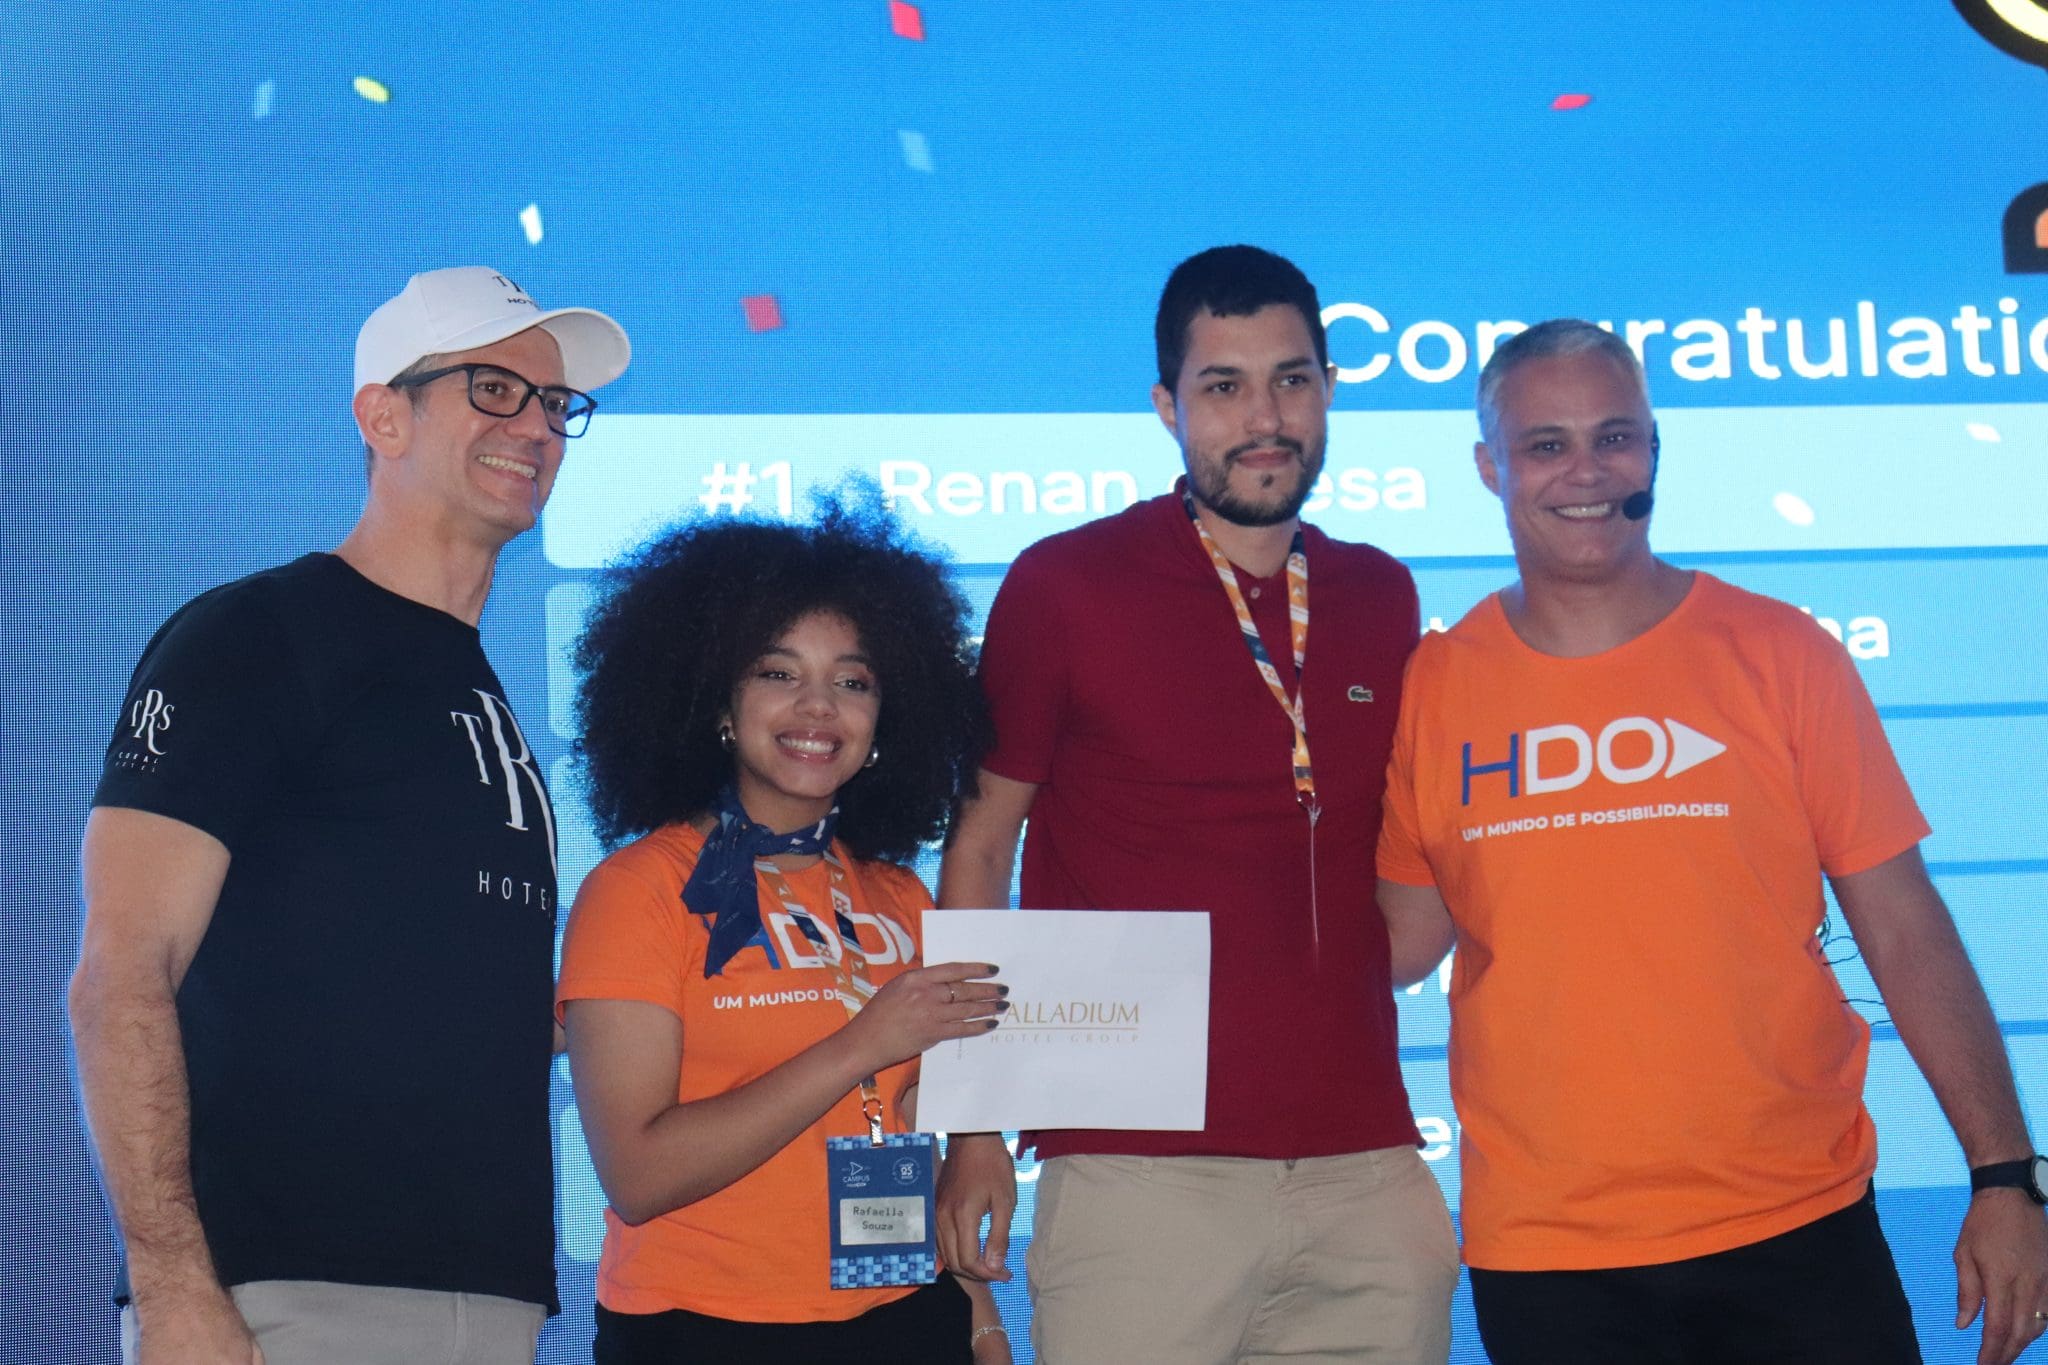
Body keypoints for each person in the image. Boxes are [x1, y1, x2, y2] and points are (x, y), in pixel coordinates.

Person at [1376, 318, 2048, 1365]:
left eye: (1614, 437)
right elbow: (1397, 944)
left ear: (1653, 449)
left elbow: (1902, 924)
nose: (1586, 471)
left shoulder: (1780, 652)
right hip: (1548, 1257)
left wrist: (2003, 1176)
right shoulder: (1433, 686)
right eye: (1546, 444)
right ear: (1488, 466)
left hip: (1799, 1226)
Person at [70, 266, 631, 1364]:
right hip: (282, 1295)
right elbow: (120, 977)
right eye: (493, 388)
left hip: (491, 1295)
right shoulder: (254, 636)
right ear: (383, 416)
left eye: (557, 403)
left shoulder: (474, 686)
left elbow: (420, 988)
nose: (536, 427)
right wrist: (174, 1287)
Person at [936, 244, 1458, 1362]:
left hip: (1368, 1168)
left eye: (1291, 379)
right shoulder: (1064, 584)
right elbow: (979, 846)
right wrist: (971, 1124)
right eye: (1223, 386)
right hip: (1137, 1169)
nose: (1263, 418)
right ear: (1167, 406)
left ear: (1328, 389)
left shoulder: (1380, 591)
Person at [557, 497, 1009, 1363]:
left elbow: (903, 1126)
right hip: (700, 1328)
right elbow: (639, 1175)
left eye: (853, 681)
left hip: (905, 1314)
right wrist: (861, 1042)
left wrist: (979, 1314)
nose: (818, 706)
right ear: (719, 702)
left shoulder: (899, 895)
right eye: (777, 672)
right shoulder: (638, 890)